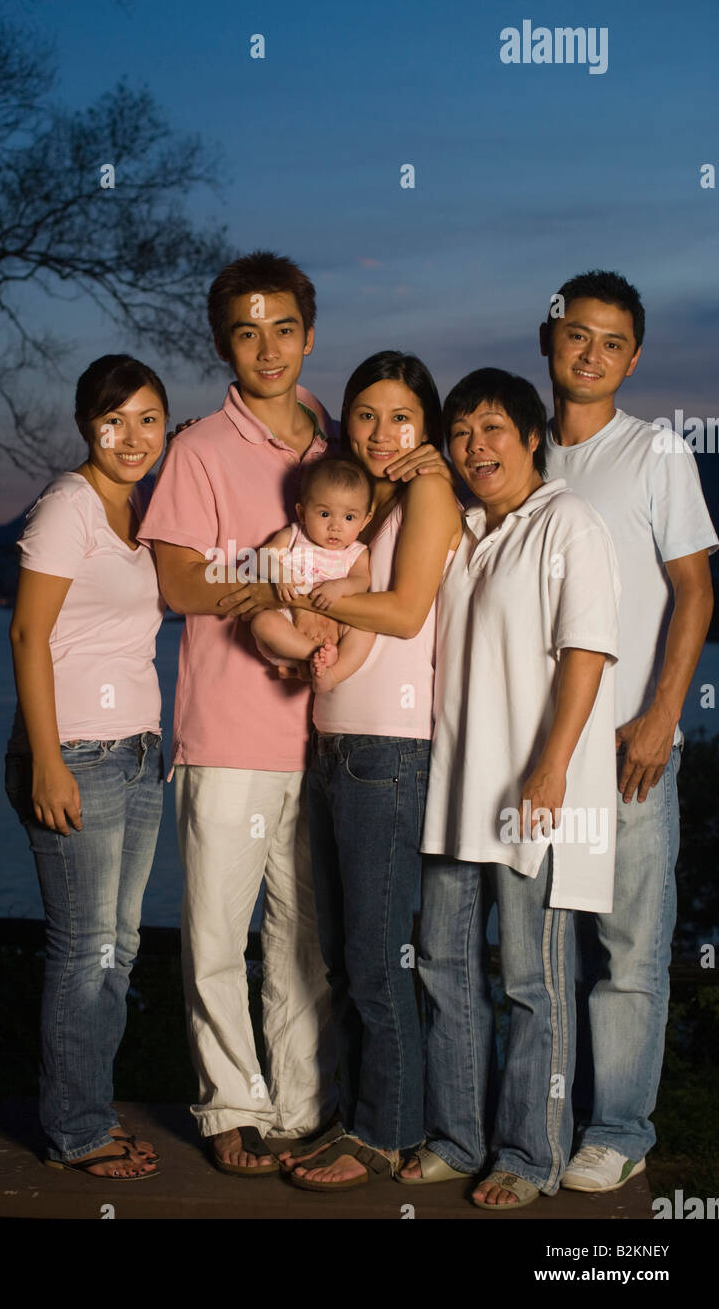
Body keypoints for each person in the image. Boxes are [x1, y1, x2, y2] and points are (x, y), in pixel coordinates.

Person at [137, 253, 441, 1174]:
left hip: (324, 741)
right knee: (219, 938)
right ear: (222, 342)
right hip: (227, 733)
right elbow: (176, 579)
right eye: (244, 329)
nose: (265, 347)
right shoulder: (196, 448)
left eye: (282, 329)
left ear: (308, 336)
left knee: (306, 944)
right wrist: (266, 577)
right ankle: (232, 1105)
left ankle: (304, 1108)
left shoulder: (335, 445)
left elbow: (372, 554)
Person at [408, 369, 621, 1209]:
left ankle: (529, 1154)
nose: (474, 447)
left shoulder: (567, 520)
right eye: (459, 432)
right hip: (454, 790)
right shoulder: (458, 530)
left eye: (491, 428)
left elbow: (588, 650)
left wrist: (550, 765)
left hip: (529, 791)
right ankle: (459, 1139)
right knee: (443, 967)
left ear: (531, 435)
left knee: (532, 984)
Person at [539, 271, 717, 1192]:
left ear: (633, 357)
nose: (592, 354)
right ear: (549, 337)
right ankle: (542, 1124)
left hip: (625, 750)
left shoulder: (655, 454)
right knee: (535, 955)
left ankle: (618, 1128)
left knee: (628, 950)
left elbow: (695, 589)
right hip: (536, 755)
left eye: (612, 342)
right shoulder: (520, 455)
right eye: (578, 335)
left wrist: (661, 715)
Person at [268, 351, 462, 1190]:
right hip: (334, 741)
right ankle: (356, 1118)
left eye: (402, 417)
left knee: (378, 955)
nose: (382, 433)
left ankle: (385, 1133)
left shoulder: (426, 492)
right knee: (347, 954)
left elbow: (404, 609)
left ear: (426, 424)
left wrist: (299, 603)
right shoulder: (357, 499)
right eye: (367, 415)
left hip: (387, 748)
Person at [4, 354, 168, 1180]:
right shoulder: (68, 505)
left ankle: (89, 1114)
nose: (132, 436)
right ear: (87, 427)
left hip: (140, 754)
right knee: (82, 949)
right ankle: (75, 1131)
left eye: (147, 419)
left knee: (120, 948)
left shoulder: (134, 511)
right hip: (76, 754)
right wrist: (45, 761)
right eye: (115, 420)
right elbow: (29, 636)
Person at [250, 455, 375, 676]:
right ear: (302, 513)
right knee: (263, 623)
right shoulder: (293, 535)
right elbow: (261, 558)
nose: (335, 526)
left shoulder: (356, 553)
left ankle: (334, 670)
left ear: (365, 520)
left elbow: (361, 581)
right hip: (292, 625)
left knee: (365, 630)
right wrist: (279, 573)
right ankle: (312, 654)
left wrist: (340, 587)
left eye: (349, 517)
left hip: (337, 627)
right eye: (325, 514)